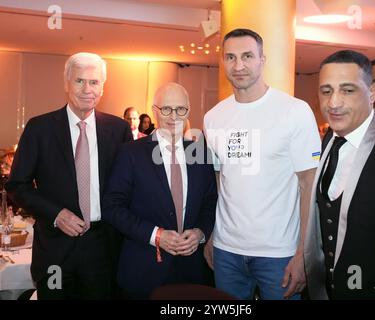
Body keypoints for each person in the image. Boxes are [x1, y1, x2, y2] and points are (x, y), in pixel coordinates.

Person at [203, 28, 320, 300]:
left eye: (247, 56)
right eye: (230, 57)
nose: (238, 65)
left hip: (279, 253)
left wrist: (304, 252)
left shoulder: (294, 111)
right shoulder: (213, 117)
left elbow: (309, 184)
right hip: (226, 250)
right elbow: (221, 181)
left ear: (262, 59)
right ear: (223, 62)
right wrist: (213, 235)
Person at [5, 52, 133, 299]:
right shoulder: (39, 128)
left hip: (104, 250)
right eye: (79, 81)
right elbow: (17, 185)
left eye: (94, 82)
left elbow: (129, 187)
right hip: (55, 249)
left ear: (103, 87)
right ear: (66, 83)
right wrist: (56, 214)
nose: (87, 89)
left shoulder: (119, 130)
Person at [304, 50, 375, 299]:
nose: (334, 102)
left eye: (348, 90)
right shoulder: (329, 140)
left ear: (372, 92)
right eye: (326, 91)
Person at [102, 82, 217, 299]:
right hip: (144, 271)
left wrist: (201, 232)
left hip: (192, 271)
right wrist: (156, 235)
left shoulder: (201, 154)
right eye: (166, 109)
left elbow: (211, 201)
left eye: (180, 109)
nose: (173, 116)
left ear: (188, 111)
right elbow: (111, 207)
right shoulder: (131, 153)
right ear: (155, 111)